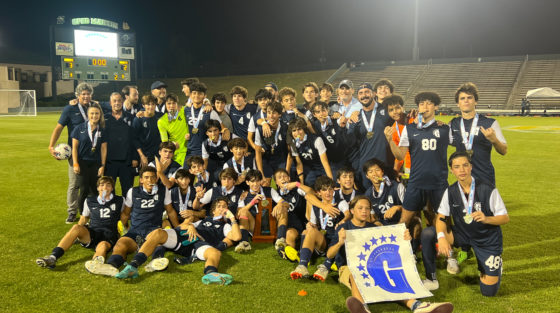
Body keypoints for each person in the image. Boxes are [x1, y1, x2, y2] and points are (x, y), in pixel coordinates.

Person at [339, 199, 454, 313]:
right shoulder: (343, 228)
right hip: (349, 267)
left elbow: (389, 243)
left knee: (393, 273)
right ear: (352, 211)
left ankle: (418, 306)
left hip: (373, 265)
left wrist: (405, 239)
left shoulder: (373, 228)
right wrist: (340, 242)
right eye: (360, 208)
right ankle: (362, 308)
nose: (364, 211)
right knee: (355, 274)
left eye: (367, 208)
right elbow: (330, 254)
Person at [420, 152, 509, 297]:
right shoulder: (450, 191)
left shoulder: (487, 189)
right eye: (457, 167)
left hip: (487, 239)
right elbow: (441, 218)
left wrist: (486, 219)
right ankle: (432, 279)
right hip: (463, 234)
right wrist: (441, 237)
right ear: (452, 170)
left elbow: (504, 218)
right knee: (429, 234)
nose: (461, 170)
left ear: (471, 167)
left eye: (465, 165)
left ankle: (491, 266)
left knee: (488, 292)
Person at [115, 197, 241, 285]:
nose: (221, 209)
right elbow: (181, 227)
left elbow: (236, 237)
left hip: (198, 245)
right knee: (158, 233)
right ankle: (133, 266)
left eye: (224, 207)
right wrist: (191, 225)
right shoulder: (202, 221)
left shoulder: (226, 226)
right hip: (182, 236)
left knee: (215, 253)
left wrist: (232, 218)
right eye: (219, 206)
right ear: (213, 211)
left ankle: (211, 274)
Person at [84, 166, 180, 277]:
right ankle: (110, 266)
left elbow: (170, 211)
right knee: (120, 245)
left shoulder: (163, 191)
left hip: (153, 230)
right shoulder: (133, 191)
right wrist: (123, 227)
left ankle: (156, 262)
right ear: (141, 180)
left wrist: (177, 228)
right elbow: (125, 213)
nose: (150, 180)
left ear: (157, 179)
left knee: (158, 244)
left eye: (153, 177)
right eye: (146, 177)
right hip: (135, 231)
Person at [36, 176, 123, 269]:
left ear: (112, 188)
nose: (105, 188)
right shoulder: (90, 200)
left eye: (108, 185)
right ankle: (52, 258)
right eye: (102, 185)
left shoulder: (120, 200)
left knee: (103, 246)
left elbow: (125, 217)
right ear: (97, 188)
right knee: (76, 227)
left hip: (109, 235)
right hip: (92, 233)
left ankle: (95, 265)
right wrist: (73, 234)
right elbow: (83, 219)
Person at [48, 82, 102, 223]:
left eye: (88, 93)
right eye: (83, 94)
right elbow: (59, 127)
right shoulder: (70, 109)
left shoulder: (95, 107)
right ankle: (72, 212)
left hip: (93, 154)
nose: (86, 96)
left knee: (91, 185)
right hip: (75, 154)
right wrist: (51, 146)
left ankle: (90, 210)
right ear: (77, 95)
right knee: (74, 184)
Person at [290, 176, 350, 280]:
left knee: (340, 233)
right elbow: (313, 223)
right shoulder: (317, 205)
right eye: (324, 189)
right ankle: (302, 265)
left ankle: (326, 265)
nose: (328, 192)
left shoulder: (340, 202)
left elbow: (348, 214)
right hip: (325, 241)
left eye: (330, 189)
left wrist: (343, 220)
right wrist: (311, 225)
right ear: (318, 192)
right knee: (308, 230)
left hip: (338, 240)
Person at [449, 82, 507, 187]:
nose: (466, 100)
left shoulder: (490, 123)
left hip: (484, 177)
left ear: (475, 101)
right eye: (462, 98)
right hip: (463, 177)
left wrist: (494, 140)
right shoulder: (453, 124)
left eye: (469, 97)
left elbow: (504, 151)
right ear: (458, 103)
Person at [347, 83, 393, 191]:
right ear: (358, 97)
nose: (364, 95)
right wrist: (356, 168)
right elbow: (351, 145)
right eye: (361, 93)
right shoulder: (356, 117)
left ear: (373, 93)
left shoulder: (386, 111)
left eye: (367, 92)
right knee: (368, 198)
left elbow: (401, 123)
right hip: (365, 167)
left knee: (387, 196)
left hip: (384, 164)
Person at [71, 103, 107, 214]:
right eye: (92, 113)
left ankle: (95, 214)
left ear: (100, 114)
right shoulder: (79, 128)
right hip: (82, 163)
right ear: (88, 114)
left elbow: (103, 149)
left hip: (95, 164)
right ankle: (82, 214)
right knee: (84, 190)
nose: (94, 116)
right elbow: (74, 148)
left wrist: (102, 165)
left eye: (97, 113)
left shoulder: (102, 129)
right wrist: (75, 163)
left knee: (96, 190)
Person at [235, 169, 283, 252]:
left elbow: (282, 201)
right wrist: (252, 202)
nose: (255, 184)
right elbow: (239, 213)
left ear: (261, 181)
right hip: (254, 227)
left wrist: (278, 206)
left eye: (257, 181)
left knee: (281, 208)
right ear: (247, 182)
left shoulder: (269, 190)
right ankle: (244, 242)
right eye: (252, 181)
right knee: (244, 212)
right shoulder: (243, 196)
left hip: (270, 224)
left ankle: (280, 238)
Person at [184, 82, 229, 160]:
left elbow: (223, 129)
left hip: (206, 151)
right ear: (190, 95)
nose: (196, 96)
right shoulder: (186, 110)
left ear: (204, 96)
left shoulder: (210, 112)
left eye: (200, 93)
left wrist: (224, 132)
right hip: (190, 150)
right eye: (194, 93)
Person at [104, 92, 137, 196]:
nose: (117, 103)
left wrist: (135, 157)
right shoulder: (104, 119)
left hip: (126, 161)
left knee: (127, 191)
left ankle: (126, 212)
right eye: (114, 101)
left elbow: (135, 138)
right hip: (109, 162)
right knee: (109, 190)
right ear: (110, 103)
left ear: (122, 102)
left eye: (119, 100)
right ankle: (112, 212)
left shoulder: (131, 117)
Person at [287, 118, 333, 186]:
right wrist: (302, 184)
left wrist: (331, 181)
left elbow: (325, 162)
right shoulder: (293, 144)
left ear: (304, 129)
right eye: (294, 130)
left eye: (299, 129)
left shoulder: (317, 140)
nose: (297, 133)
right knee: (308, 183)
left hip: (324, 166)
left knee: (330, 183)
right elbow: (299, 164)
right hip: (311, 169)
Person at [310, 101, 351, 177]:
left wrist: (342, 127)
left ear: (327, 111)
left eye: (323, 110)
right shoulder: (314, 126)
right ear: (314, 114)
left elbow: (344, 141)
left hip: (340, 160)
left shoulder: (336, 121)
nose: (321, 114)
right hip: (324, 161)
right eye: (318, 112)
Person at [254, 101, 289, 185]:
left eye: (274, 113)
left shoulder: (286, 128)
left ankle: (282, 198)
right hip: (266, 159)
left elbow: (290, 151)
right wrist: (260, 173)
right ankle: (268, 198)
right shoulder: (260, 129)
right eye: (269, 113)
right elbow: (258, 152)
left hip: (281, 159)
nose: (271, 116)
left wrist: (287, 171)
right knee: (265, 183)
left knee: (283, 183)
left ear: (280, 114)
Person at [383, 94, 412, 178]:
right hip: (409, 169)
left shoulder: (414, 119)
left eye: (397, 108)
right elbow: (399, 155)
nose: (395, 112)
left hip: (423, 166)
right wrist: (395, 171)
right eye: (391, 110)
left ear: (403, 107)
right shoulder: (393, 130)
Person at [157, 94, 188, 166]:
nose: (171, 106)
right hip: (176, 153)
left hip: (189, 151)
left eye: (174, 103)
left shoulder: (184, 111)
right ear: (165, 104)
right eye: (169, 103)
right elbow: (164, 141)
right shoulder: (161, 121)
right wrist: (172, 144)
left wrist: (207, 103)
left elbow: (197, 105)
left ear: (177, 104)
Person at [133, 94, 163, 168]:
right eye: (148, 104)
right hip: (145, 155)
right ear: (143, 106)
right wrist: (142, 156)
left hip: (159, 154)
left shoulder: (160, 116)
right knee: (146, 178)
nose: (151, 106)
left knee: (159, 177)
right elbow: (134, 139)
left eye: (153, 104)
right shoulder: (138, 119)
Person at [247, 88, 274, 153]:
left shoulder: (277, 113)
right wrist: (257, 149)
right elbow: (249, 138)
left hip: (278, 150)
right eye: (260, 100)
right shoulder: (254, 118)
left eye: (265, 99)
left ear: (270, 99)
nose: (262, 102)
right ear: (258, 102)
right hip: (263, 151)